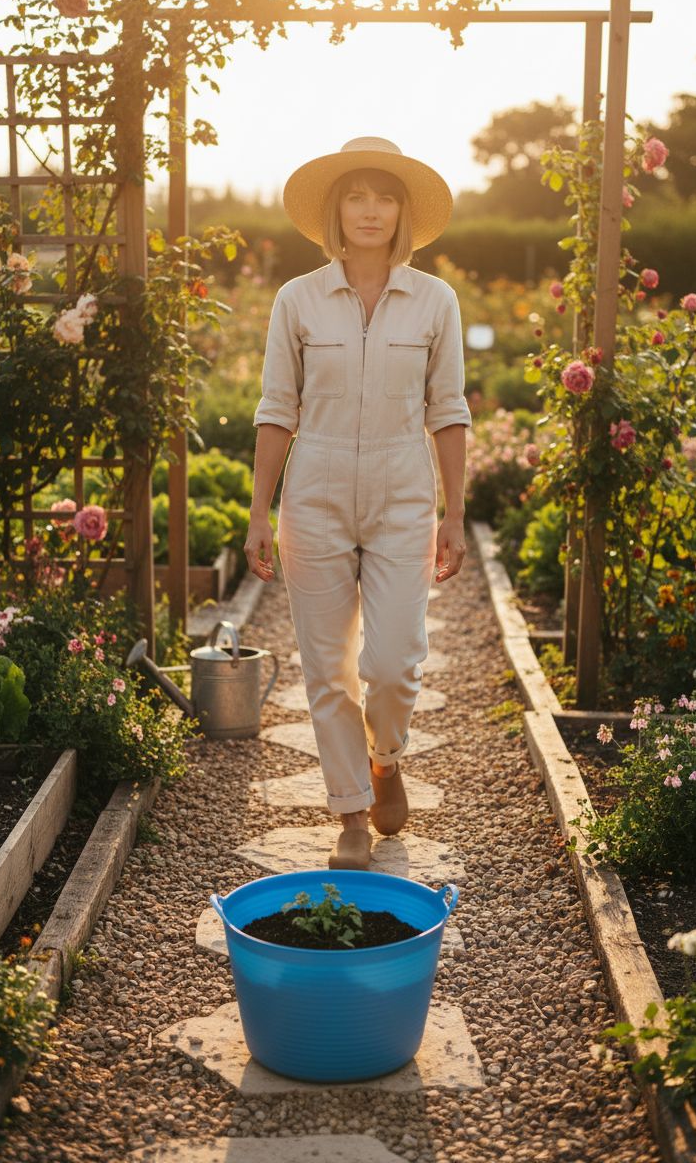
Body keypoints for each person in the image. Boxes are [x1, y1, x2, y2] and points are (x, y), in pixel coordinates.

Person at [245, 136, 471, 870]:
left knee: (395, 661)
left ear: (402, 212)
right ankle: (349, 812)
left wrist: (454, 513)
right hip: (314, 493)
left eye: (384, 198)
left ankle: (386, 757)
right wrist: (259, 511)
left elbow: (449, 410)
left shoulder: (435, 300)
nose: (370, 211)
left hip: (404, 493)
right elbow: (277, 408)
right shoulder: (298, 299)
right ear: (335, 210)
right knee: (325, 666)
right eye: (356, 196)